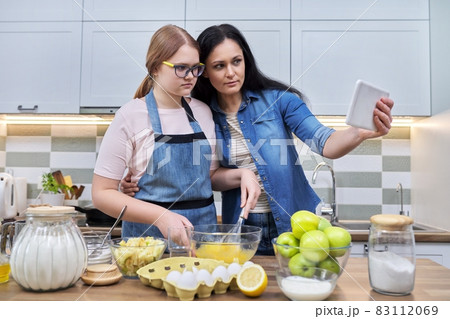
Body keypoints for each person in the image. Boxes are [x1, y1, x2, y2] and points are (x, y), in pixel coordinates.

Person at [121, 24, 394, 255]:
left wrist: (359, 132)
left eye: (236, 61)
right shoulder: (201, 113)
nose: (231, 72)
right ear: (204, 71)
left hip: (297, 225)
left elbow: (324, 142)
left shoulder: (280, 101)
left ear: (245, 61)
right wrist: (137, 180)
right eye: (219, 65)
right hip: (242, 228)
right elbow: (209, 177)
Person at [92, 24, 260, 240]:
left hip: (201, 240)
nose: (190, 76)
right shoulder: (130, 115)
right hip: (147, 242)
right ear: (155, 67)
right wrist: (160, 216)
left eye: (195, 68)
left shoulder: (203, 112)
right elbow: (101, 194)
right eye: (181, 68)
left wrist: (242, 174)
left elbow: (209, 178)